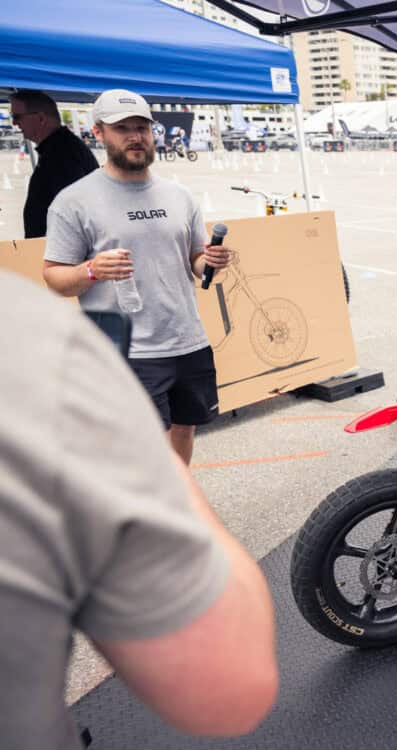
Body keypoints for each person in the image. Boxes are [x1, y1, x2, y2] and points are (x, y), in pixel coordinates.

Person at [0, 270, 278, 749]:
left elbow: (198, 266)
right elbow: (229, 688)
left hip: (180, 342)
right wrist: (156, 466)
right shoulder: (32, 336)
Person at [42, 89, 231, 465]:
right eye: (122, 128)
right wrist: (92, 269)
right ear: (99, 133)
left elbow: (193, 259)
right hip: (128, 349)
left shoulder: (179, 195)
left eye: (142, 127)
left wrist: (209, 260)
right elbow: (53, 277)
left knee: (184, 429)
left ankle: (175, 505)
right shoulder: (73, 201)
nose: (135, 137)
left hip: (187, 339)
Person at [8, 90, 99, 239]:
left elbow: (74, 213)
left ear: (41, 118)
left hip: (63, 254)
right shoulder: (59, 148)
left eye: (17, 116)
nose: (14, 123)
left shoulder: (63, 154)